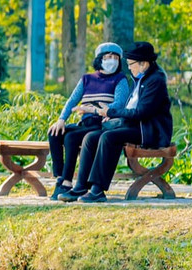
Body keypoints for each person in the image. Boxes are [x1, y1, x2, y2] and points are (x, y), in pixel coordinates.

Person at [59, 41, 172, 204]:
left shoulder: (155, 80)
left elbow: (142, 112)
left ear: (143, 63)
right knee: (91, 137)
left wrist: (109, 111)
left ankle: (98, 190)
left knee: (109, 138)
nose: (129, 68)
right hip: (134, 125)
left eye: (131, 64)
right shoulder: (141, 78)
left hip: (149, 130)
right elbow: (130, 108)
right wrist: (114, 117)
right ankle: (81, 187)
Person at [46, 42, 130, 201]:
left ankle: (67, 183)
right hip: (84, 124)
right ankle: (60, 178)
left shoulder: (120, 79)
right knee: (55, 132)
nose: (111, 60)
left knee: (71, 138)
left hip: (101, 125)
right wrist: (61, 119)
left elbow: (119, 103)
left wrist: (94, 108)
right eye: (108, 57)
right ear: (100, 59)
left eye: (115, 58)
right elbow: (72, 101)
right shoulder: (86, 79)